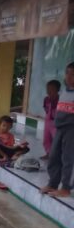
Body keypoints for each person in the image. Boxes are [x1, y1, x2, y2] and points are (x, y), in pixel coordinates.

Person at [42, 62, 74, 198]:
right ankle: (53, 183)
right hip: (59, 128)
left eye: (73, 74)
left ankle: (66, 187)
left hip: (72, 129)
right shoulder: (64, 91)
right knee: (54, 155)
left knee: (69, 158)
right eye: (67, 73)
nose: (69, 77)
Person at [42, 79, 61, 159]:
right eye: (48, 89)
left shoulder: (60, 100)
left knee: (56, 140)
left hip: (56, 123)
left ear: (57, 90)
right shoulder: (46, 99)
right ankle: (48, 153)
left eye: (52, 89)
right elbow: (45, 108)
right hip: (48, 122)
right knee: (46, 139)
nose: (49, 91)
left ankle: (57, 155)